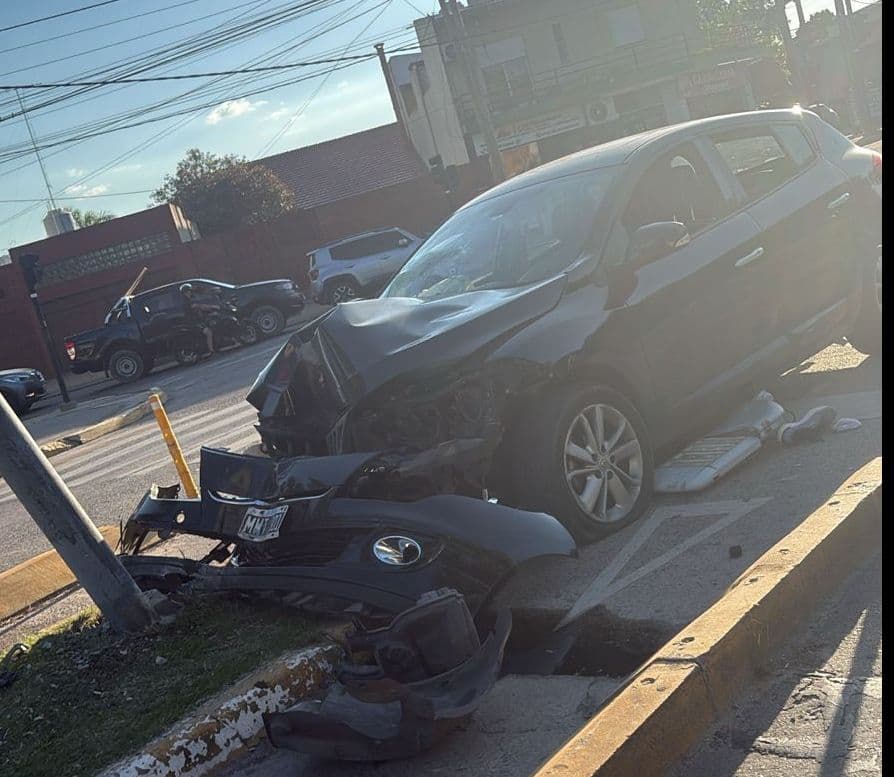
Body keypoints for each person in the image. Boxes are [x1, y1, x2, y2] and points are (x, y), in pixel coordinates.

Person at [179, 283, 218, 355]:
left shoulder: (191, 299)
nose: (189, 293)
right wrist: (213, 307)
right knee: (209, 332)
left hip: (199, 320)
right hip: (194, 323)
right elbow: (199, 306)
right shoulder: (186, 302)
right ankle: (211, 351)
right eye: (187, 292)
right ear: (184, 293)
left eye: (190, 291)